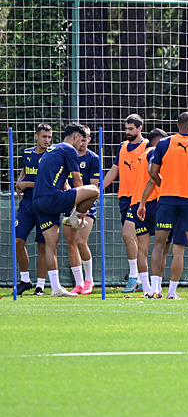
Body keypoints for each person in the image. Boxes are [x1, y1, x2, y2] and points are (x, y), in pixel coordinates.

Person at [138, 112, 188, 299]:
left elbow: (152, 171)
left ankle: (155, 289)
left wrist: (162, 184)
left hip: (166, 201)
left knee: (158, 244)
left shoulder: (164, 143)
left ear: (177, 125)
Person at [32, 123, 101, 297]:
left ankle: (55, 288)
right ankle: (75, 217)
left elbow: (63, 182)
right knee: (94, 191)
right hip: (53, 198)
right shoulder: (69, 150)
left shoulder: (53, 150)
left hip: (38, 201)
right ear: (76, 137)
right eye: (81, 140)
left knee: (50, 245)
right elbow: (78, 183)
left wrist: (72, 201)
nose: (81, 145)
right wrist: (79, 211)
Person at [103, 114, 148, 293]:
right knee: (133, 238)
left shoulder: (148, 146)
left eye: (131, 129)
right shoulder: (122, 147)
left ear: (140, 129)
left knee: (127, 233)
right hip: (124, 197)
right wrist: (99, 189)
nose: (127, 132)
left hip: (139, 198)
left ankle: (134, 276)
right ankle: (142, 277)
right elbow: (115, 170)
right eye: (126, 128)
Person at [127, 128, 169, 296]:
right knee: (162, 248)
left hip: (137, 202)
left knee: (142, 249)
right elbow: (153, 173)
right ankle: (156, 288)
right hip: (154, 203)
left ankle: (146, 289)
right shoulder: (155, 152)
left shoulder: (141, 155)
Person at [14, 123, 52, 295]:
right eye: (44, 136)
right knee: (17, 241)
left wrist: (26, 184)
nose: (47, 140)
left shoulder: (52, 157)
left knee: (42, 245)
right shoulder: (27, 153)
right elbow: (24, 171)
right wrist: (19, 183)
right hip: (27, 204)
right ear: (36, 136)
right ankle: (25, 279)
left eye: (50, 137)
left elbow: (48, 184)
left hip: (44, 205)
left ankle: (41, 285)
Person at [63, 125, 101, 295]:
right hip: (67, 202)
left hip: (86, 205)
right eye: (80, 140)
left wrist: (81, 205)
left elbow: (93, 187)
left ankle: (89, 280)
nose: (82, 143)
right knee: (70, 243)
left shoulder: (93, 159)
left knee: (80, 241)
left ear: (89, 140)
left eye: (85, 140)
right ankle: (78, 283)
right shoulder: (65, 155)